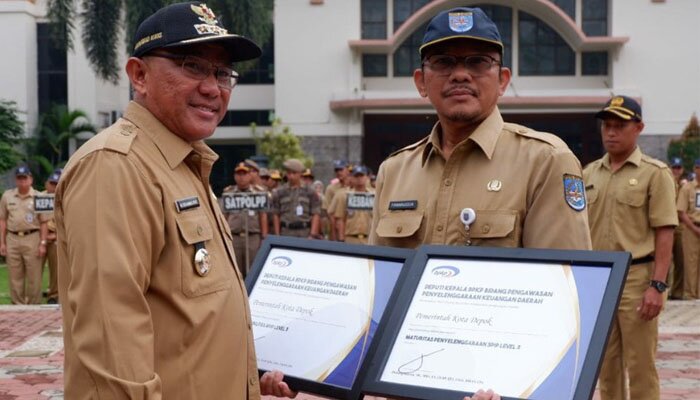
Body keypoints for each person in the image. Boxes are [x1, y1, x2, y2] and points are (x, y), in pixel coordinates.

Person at [53, 3, 293, 398]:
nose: (212, 88)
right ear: (139, 75)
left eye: (221, 73)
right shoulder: (117, 166)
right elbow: (112, 347)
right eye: (192, 66)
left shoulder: (184, 164)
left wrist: (248, 374)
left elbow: (189, 318)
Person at [369, 7, 591, 250]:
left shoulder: (545, 161)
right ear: (421, 82)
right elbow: (377, 276)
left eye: (478, 62)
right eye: (443, 62)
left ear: (502, 81)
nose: (461, 75)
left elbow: (562, 277)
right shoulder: (393, 172)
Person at [584, 95, 677, 400]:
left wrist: (658, 285)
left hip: (637, 279)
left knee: (640, 364)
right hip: (599, 280)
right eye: (607, 126)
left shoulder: (655, 173)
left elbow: (665, 231)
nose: (610, 132)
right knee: (605, 366)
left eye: (619, 126)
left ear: (639, 128)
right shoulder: (588, 174)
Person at [0, 165, 48, 304]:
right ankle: (18, 304)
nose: (22, 182)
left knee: (34, 275)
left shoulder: (39, 197)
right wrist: (2, 242)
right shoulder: (7, 196)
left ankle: (34, 304)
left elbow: (44, 222)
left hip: (32, 237)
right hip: (12, 238)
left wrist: (43, 243)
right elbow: (2, 219)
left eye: (25, 178)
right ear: (16, 180)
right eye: (19, 179)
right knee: (15, 275)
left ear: (30, 179)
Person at [222, 162, 268, 277]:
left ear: (250, 175)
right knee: (235, 270)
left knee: (253, 269)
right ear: (234, 176)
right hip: (234, 237)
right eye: (238, 174)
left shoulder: (258, 193)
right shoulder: (229, 193)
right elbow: (224, 216)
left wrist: (264, 237)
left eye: (244, 174)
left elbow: (263, 216)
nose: (241, 177)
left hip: (253, 237)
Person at [271, 158, 321, 238]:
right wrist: (277, 235)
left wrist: (312, 235)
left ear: (300, 174)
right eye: (289, 173)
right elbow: (276, 214)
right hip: (286, 232)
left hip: (304, 232)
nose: (291, 176)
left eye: (294, 173)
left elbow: (316, 214)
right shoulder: (280, 192)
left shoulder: (309, 191)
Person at [677, 159, 700, 299]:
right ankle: (690, 294)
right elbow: (681, 211)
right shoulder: (687, 188)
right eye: (698, 167)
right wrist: (694, 228)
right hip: (691, 228)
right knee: (690, 262)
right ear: (694, 169)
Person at [333, 165, 374, 244]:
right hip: (350, 238)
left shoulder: (374, 196)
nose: (359, 179)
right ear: (351, 178)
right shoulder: (344, 195)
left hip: (369, 239)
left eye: (362, 176)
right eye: (356, 176)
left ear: (367, 177)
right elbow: (340, 219)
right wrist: (341, 239)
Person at [42, 169, 62, 304]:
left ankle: (53, 296)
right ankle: (33, 296)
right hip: (39, 238)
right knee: (34, 270)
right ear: (46, 184)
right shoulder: (38, 197)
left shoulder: (64, 198)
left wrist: (55, 233)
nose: (54, 187)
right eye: (52, 183)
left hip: (56, 238)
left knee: (56, 269)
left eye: (56, 184)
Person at [668, 157, 687, 299]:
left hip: (680, 227)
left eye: (678, 168)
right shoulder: (667, 181)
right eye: (674, 167)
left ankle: (678, 291)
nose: (676, 170)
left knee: (681, 261)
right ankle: (664, 289)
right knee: (666, 260)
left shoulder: (686, 185)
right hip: (667, 225)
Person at [323, 160, 350, 241]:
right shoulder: (331, 188)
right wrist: (333, 232)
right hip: (336, 224)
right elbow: (328, 211)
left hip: (351, 225)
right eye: (337, 170)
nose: (339, 172)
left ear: (348, 170)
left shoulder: (354, 187)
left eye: (341, 170)